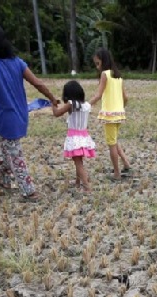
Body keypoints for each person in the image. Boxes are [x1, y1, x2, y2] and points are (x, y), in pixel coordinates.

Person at [0, 24, 59, 202]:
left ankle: (29, 191)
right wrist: (52, 97)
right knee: (5, 150)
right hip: (20, 114)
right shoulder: (17, 62)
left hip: (4, 117)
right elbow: (37, 83)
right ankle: (4, 182)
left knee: (14, 154)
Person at [88, 47, 131, 182]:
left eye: (98, 63)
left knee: (111, 144)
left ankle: (117, 173)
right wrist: (120, 108)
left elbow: (99, 95)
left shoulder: (105, 75)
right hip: (119, 114)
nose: (97, 67)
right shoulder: (118, 77)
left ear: (103, 61)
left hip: (109, 115)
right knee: (114, 140)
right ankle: (126, 163)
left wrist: (86, 105)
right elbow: (126, 97)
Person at [52, 80, 96, 192]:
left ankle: (86, 186)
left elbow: (57, 113)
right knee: (79, 160)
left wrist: (53, 104)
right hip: (84, 136)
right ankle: (78, 182)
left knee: (78, 162)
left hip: (74, 137)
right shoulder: (86, 105)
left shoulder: (71, 104)